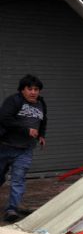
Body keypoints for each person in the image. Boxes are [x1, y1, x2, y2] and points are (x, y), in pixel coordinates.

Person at [0, 74, 47, 222]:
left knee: (18, 179)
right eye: (30, 89)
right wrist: (26, 130)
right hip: (5, 146)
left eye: (36, 89)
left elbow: (43, 120)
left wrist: (41, 135)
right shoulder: (13, 101)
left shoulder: (41, 103)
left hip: (25, 149)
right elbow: (4, 118)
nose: (33, 92)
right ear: (22, 90)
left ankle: (12, 209)